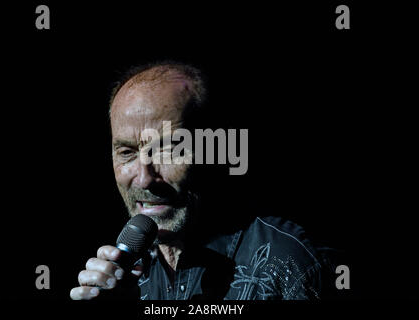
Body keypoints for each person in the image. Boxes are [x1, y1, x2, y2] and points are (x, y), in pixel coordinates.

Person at [70, 62, 332, 300]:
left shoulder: (286, 259)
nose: (144, 178)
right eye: (126, 152)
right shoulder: (127, 272)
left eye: (168, 149)